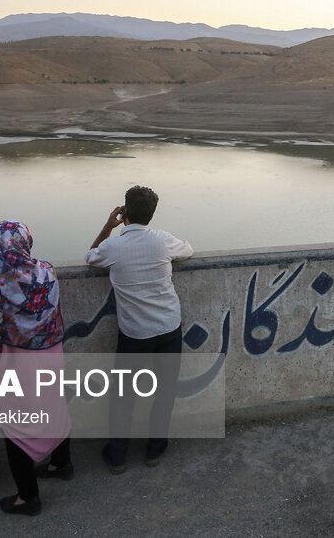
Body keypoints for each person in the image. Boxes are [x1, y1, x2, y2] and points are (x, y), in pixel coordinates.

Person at [0, 221, 72, 516]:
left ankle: (28, 498)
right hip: (51, 357)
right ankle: (62, 464)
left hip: (15, 369)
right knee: (56, 407)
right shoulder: (48, 272)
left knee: (17, 430)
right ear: (26, 243)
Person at [86, 185, 193, 473]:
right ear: (152, 214)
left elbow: (91, 256)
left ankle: (118, 456)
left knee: (123, 396)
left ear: (125, 212)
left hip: (135, 333)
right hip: (169, 327)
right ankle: (155, 450)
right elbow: (189, 250)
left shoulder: (114, 247)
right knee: (165, 391)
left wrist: (108, 226)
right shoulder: (162, 240)